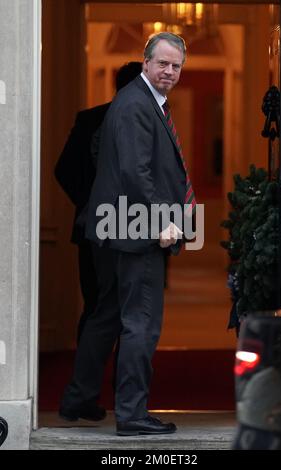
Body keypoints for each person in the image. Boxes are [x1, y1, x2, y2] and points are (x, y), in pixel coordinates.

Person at [60, 32, 195, 435]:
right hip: (137, 231)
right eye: (163, 63)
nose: (169, 71)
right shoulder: (137, 104)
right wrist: (162, 222)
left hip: (119, 228)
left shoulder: (140, 101)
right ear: (145, 62)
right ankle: (132, 414)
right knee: (142, 321)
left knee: (109, 314)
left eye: (176, 66)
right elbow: (138, 172)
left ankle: (78, 398)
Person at [54, 62, 142, 344]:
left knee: (96, 306)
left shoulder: (90, 119)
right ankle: (118, 384)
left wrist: (88, 203)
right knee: (127, 310)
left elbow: (64, 170)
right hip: (127, 229)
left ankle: (86, 382)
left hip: (98, 225)